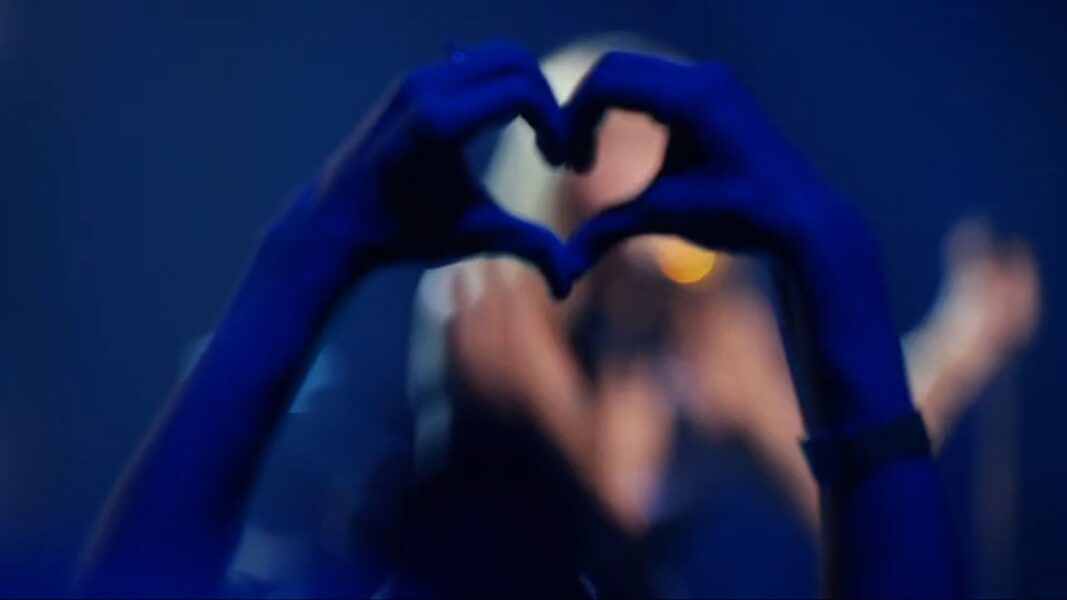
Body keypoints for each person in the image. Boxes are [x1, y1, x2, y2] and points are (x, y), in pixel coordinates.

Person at [76, 40, 963, 597]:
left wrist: (952, 331)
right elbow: (617, 503)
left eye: (652, 138)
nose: (641, 161)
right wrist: (301, 256)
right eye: (615, 138)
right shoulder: (487, 298)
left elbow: (834, 481)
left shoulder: (709, 328)